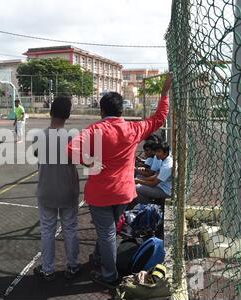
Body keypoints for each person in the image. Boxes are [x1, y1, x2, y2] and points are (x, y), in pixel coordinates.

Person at [67, 74, 173, 288]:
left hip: (101, 193)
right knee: (111, 228)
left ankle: (109, 275)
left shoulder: (95, 130)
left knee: (106, 232)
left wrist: (88, 160)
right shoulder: (132, 129)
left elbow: (70, 149)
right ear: (122, 111)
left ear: (102, 111)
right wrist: (164, 94)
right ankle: (100, 259)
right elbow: (158, 119)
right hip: (124, 191)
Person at [32, 96, 81, 282]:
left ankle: (48, 269)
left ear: (51, 112)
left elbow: (37, 154)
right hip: (68, 189)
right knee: (70, 228)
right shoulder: (72, 136)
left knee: (47, 230)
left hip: (46, 189)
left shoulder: (39, 135)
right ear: (67, 115)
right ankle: (73, 265)